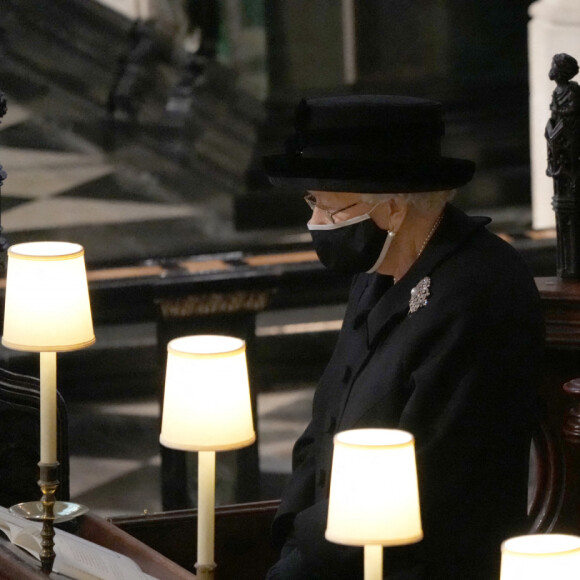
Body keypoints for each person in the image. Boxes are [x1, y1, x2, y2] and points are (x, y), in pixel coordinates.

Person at [262, 95, 545, 579]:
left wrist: (304, 561)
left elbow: (433, 472)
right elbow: (326, 422)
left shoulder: (479, 287)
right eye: (313, 203)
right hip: (338, 546)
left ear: (392, 209)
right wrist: (294, 534)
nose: (317, 223)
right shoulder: (379, 269)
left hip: (415, 564)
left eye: (330, 209)